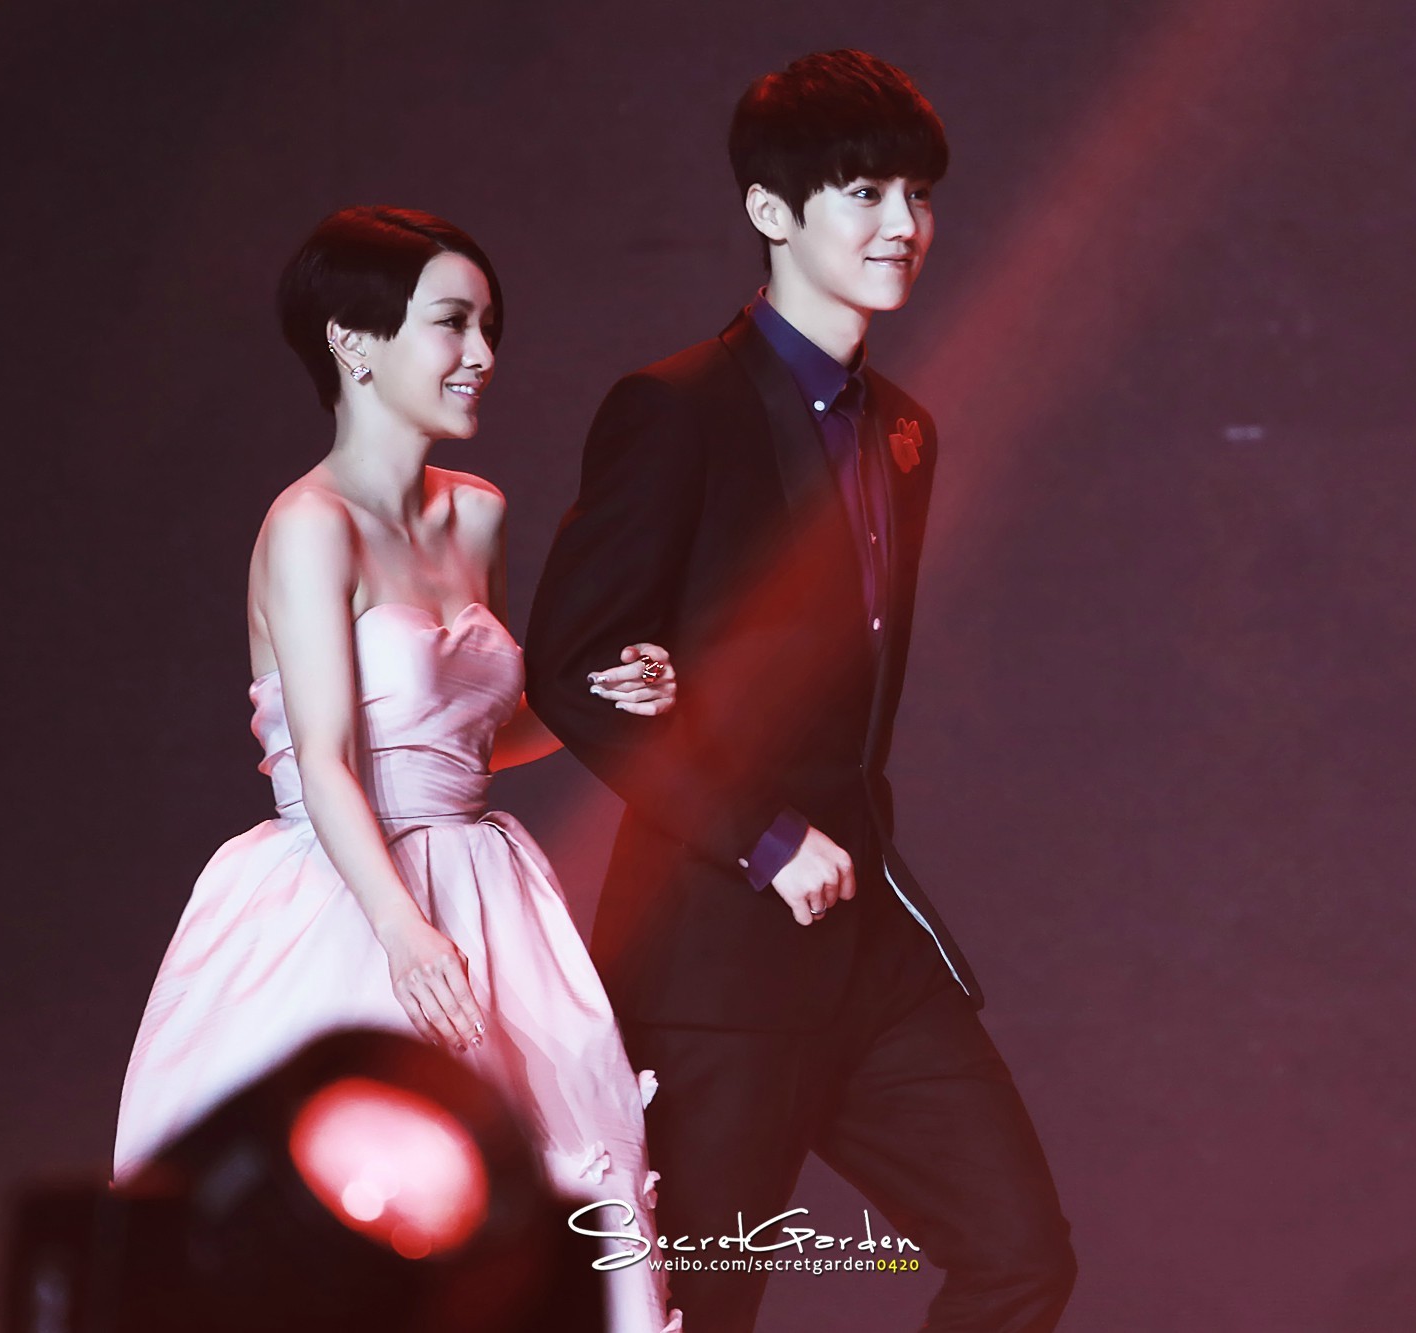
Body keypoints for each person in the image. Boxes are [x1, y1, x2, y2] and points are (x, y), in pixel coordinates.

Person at [524, 51, 1076, 1331]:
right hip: (715, 954)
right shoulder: (676, 410)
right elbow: (570, 666)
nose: (903, 224)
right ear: (769, 210)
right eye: (863, 192)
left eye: (918, 194)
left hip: (866, 939)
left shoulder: (904, 429)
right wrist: (761, 836)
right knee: (699, 1314)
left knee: (1020, 1257)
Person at [113, 207, 680, 1332]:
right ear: (353, 342)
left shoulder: (478, 514)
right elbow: (325, 758)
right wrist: (401, 929)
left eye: (489, 327)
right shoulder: (307, 524)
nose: (482, 354)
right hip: (343, 893)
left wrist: (602, 701)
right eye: (452, 323)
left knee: (538, 1219)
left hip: (487, 891)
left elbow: (475, 734)